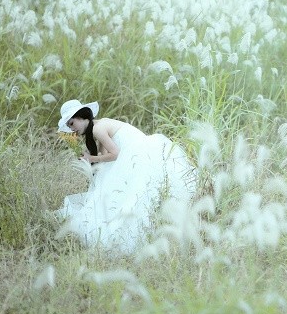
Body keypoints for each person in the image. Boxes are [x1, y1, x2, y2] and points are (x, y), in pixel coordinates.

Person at [56, 99, 196, 253]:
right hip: (139, 154)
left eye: (71, 123)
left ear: (81, 117)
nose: (72, 129)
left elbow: (115, 154)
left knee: (131, 197)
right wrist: (92, 159)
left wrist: (92, 159)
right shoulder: (99, 125)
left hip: (138, 156)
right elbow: (106, 157)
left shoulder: (98, 129)